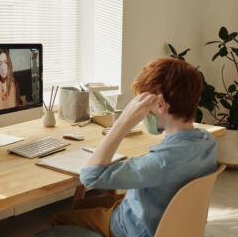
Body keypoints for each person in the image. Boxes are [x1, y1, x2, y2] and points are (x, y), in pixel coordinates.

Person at [51, 58, 218, 237]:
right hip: (170, 222)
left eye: (143, 103)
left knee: (60, 218)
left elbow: (90, 176)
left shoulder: (161, 162)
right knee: (82, 206)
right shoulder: (207, 141)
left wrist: (123, 122)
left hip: (133, 228)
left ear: (160, 104)